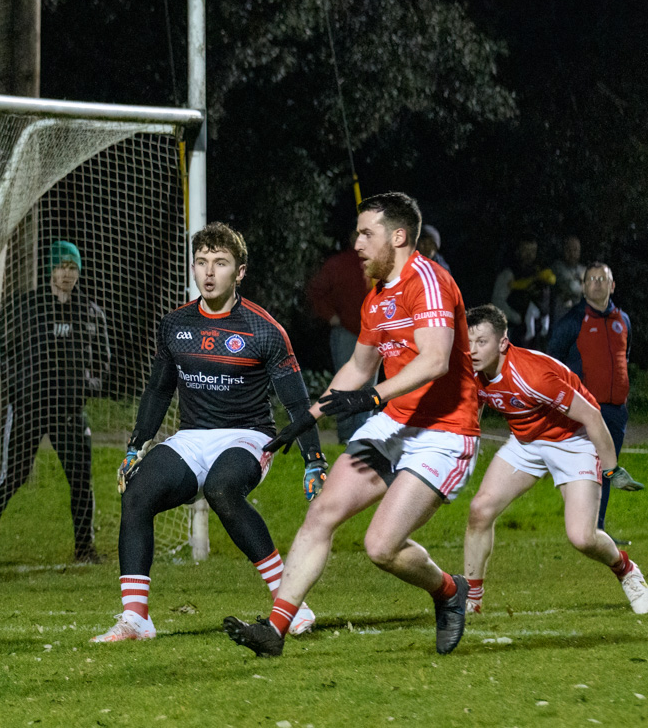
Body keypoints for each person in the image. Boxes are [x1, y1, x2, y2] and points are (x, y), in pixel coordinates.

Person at [224, 192, 478, 659]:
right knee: (322, 511)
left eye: (366, 233)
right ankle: (275, 630)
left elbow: (437, 359)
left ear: (398, 236)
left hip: (444, 432)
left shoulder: (429, 281)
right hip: (394, 425)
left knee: (381, 547)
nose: (357, 243)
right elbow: (359, 369)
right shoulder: (377, 295)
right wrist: (309, 416)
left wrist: (374, 396)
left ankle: (448, 591)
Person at [90, 222, 324, 642]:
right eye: (201, 262)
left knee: (222, 488)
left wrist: (314, 459)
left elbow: (296, 403)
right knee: (138, 493)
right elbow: (159, 390)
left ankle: (292, 602)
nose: (209, 272)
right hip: (192, 437)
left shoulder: (264, 329)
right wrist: (135, 446)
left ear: (240, 272)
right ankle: (136, 618)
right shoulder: (174, 325)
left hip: (248, 436)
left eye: (220, 263)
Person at [462, 304, 647, 616]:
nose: (473, 350)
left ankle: (626, 569)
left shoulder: (533, 375)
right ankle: (471, 602)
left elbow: (592, 416)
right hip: (525, 442)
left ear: (503, 342)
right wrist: (467, 444)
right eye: (468, 342)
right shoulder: (472, 369)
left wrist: (611, 468)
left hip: (572, 442)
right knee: (480, 510)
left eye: (482, 342)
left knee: (582, 537)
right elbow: (475, 407)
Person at [0, 240, 110, 563]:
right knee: (12, 476)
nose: (66, 274)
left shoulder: (89, 313)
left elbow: (103, 361)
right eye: (61, 266)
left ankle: (84, 548)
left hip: (70, 413)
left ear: (79, 272)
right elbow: (0, 352)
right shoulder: (28, 307)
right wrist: (16, 385)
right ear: (50, 269)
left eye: (72, 267)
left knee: (80, 480)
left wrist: (86, 386)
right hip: (28, 410)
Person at [547, 262, 642, 537]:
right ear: (584, 286)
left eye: (603, 279)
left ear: (612, 286)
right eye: (592, 279)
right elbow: (552, 362)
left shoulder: (623, 320)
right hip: (585, 410)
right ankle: (583, 527)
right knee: (586, 468)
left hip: (615, 412)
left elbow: (625, 356)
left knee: (607, 469)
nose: (597, 283)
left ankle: (597, 529)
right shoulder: (572, 321)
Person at [307, 231, 372, 442]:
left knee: (368, 386)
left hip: (374, 334)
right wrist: (330, 315)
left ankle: (362, 435)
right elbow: (316, 290)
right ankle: (346, 435)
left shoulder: (377, 263)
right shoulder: (339, 264)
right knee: (345, 384)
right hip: (346, 332)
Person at [492, 236, 556, 348]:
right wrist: (517, 318)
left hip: (536, 333)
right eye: (525, 251)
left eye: (532, 251)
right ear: (517, 251)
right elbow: (497, 302)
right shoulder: (508, 274)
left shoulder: (538, 272)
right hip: (514, 331)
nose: (529, 255)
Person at [551, 235, 585, 322]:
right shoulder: (557, 267)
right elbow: (572, 288)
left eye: (575, 250)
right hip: (562, 316)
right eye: (568, 250)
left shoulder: (583, 269)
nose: (572, 254)